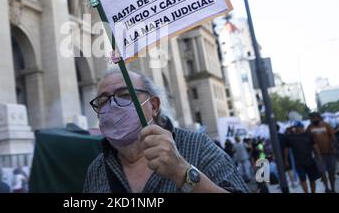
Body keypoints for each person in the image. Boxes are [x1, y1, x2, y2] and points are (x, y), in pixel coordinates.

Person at [83, 67, 248, 193]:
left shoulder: (198, 146)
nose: (113, 105)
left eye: (125, 95)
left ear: (153, 106)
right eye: (103, 101)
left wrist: (182, 172)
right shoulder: (96, 169)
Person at [285, 121, 322, 193]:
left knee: (312, 179)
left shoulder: (308, 135)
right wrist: (286, 159)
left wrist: (319, 155)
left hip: (310, 161)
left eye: (297, 127)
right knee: (303, 179)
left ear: (302, 127)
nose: (296, 129)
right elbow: (286, 148)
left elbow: (315, 145)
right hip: (299, 163)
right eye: (295, 128)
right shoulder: (291, 137)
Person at [307, 112, 337, 193]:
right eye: (311, 118)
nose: (313, 120)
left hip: (330, 153)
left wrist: (333, 145)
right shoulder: (309, 127)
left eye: (314, 118)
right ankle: (327, 188)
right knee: (322, 173)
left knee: (331, 172)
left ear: (319, 118)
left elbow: (333, 137)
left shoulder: (326, 125)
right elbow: (308, 140)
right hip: (318, 155)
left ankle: (333, 189)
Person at [276, 124, 297, 188]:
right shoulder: (283, 136)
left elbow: (286, 147)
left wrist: (285, 159)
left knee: (283, 171)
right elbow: (287, 148)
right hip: (285, 156)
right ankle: (292, 183)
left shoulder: (275, 137)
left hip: (282, 156)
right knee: (289, 170)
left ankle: (284, 184)